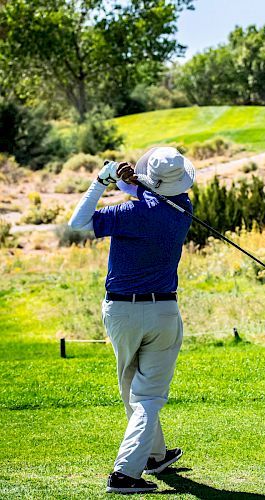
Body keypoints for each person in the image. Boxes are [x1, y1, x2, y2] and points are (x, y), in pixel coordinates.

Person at [68, 146, 196, 494]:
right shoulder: (183, 207)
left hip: (121, 313)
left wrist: (102, 181)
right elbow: (151, 195)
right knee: (147, 396)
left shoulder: (127, 212)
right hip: (163, 313)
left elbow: (77, 224)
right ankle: (141, 463)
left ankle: (138, 465)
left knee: (135, 392)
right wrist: (128, 181)